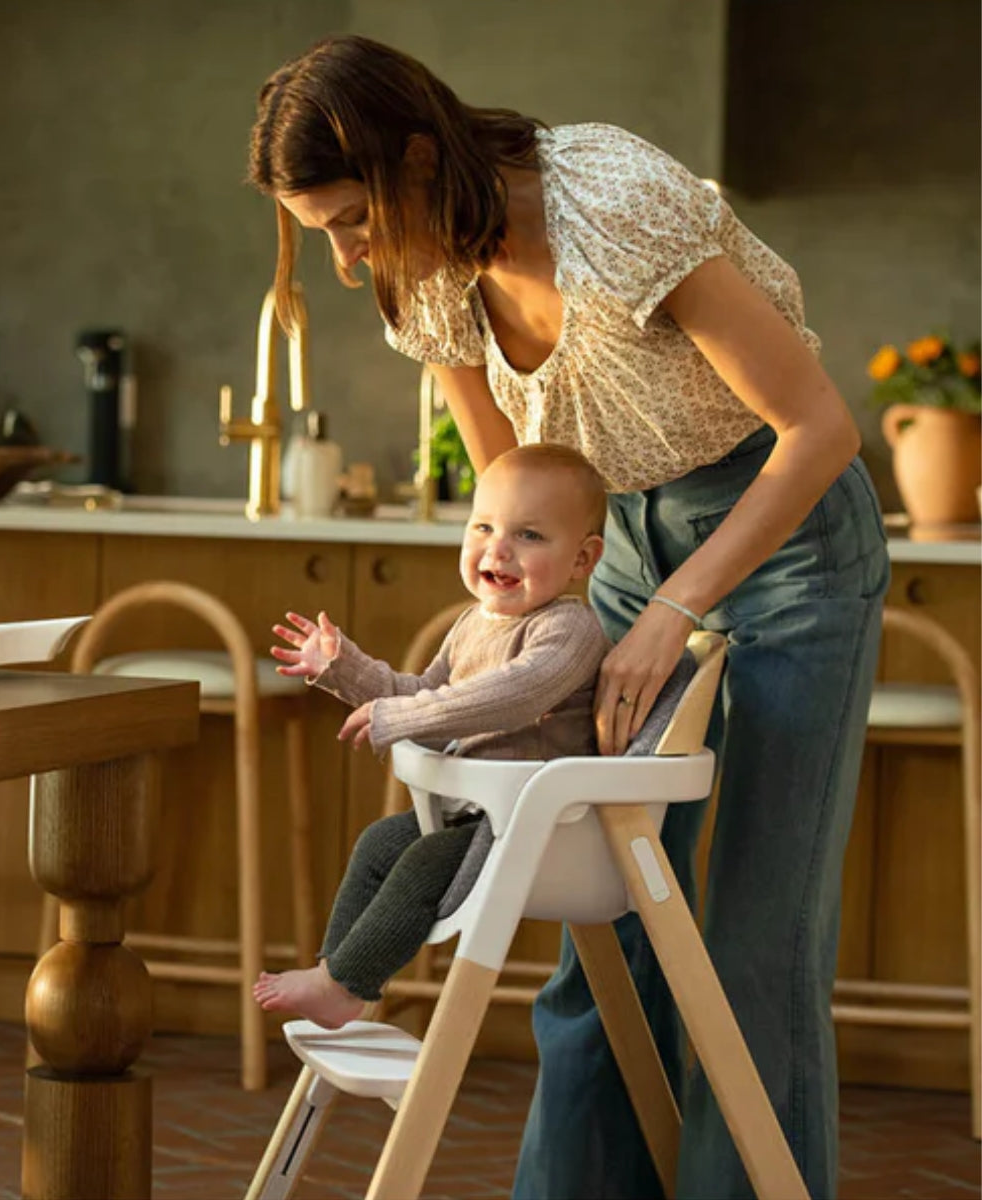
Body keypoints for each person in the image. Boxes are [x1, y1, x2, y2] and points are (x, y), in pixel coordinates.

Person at [248, 34, 890, 1200]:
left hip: (784, 539)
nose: (346, 262)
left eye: (351, 221)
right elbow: (513, 478)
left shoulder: (617, 206)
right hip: (608, 546)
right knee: (614, 908)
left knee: (750, 940)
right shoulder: (425, 273)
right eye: (323, 232)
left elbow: (822, 432)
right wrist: (506, 629)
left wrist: (677, 607)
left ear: (419, 158)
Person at [253, 443, 608, 1029]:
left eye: (530, 536)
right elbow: (420, 691)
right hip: (480, 814)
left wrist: (400, 720)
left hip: (539, 824)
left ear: (582, 559)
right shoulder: (473, 624)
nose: (499, 549)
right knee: (378, 845)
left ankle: (344, 982)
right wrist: (342, 668)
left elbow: (516, 694)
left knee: (420, 863)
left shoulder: (569, 628)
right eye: (484, 528)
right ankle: (337, 977)